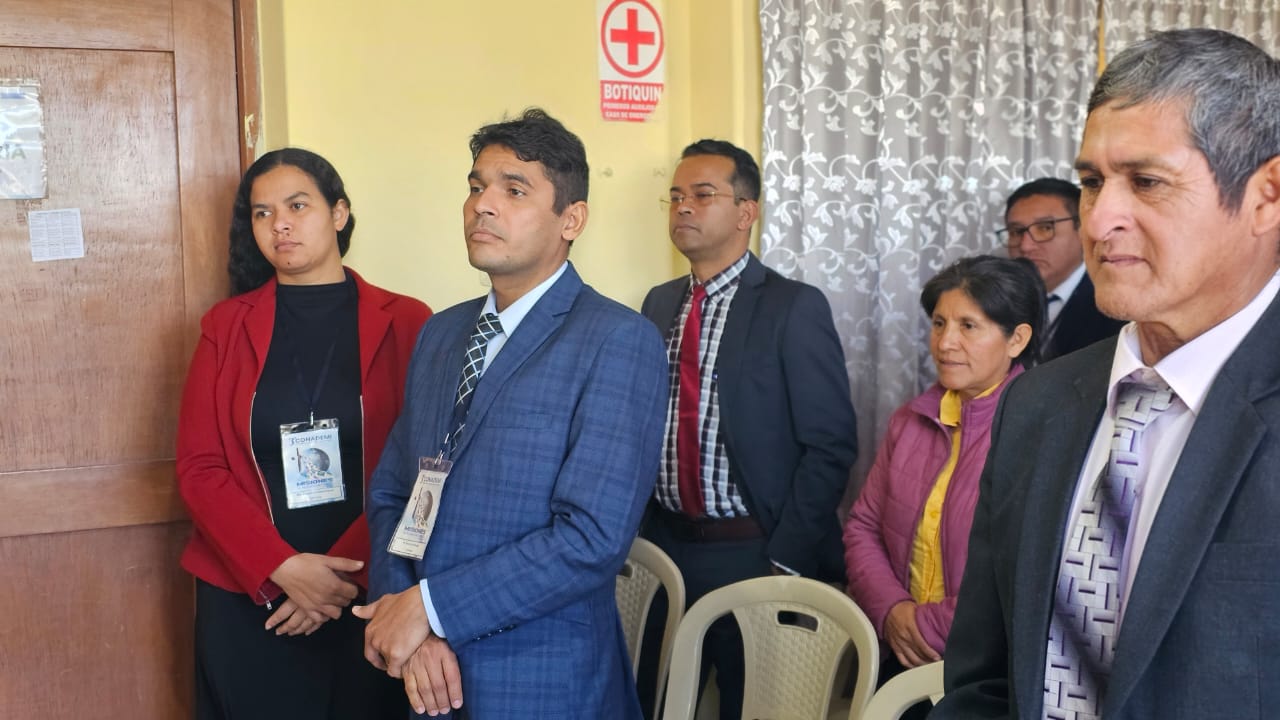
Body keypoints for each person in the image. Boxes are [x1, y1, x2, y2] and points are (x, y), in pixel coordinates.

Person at [934, 28, 1280, 719]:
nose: (1099, 222)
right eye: (1092, 183)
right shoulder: (1036, 403)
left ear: (1267, 196)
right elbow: (984, 679)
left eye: (1147, 182)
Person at [355, 108, 668, 719]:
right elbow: (395, 491)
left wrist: (431, 608)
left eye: (514, 190)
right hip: (427, 673)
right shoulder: (442, 334)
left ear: (572, 219)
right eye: (476, 187)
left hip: (541, 679)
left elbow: (591, 539)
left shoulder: (617, 340)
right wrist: (406, 611)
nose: (483, 205)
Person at [176, 148, 431, 718]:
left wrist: (339, 579)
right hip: (249, 597)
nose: (279, 225)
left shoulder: (410, 321)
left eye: (297, 206)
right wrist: (282, 569)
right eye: (262, 213)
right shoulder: (225, 326)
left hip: (371, 594)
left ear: (339, 213)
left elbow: (427, 464)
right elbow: (200, 468)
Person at [637, 139, 858, 719]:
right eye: (675, 196)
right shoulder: (659, 304)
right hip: (665, 546)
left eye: (702, 194)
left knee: (750, 706)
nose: (684, 207)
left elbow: (830, 445)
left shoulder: (791, 306)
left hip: (752, 549)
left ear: (746, 211)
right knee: (654, 701)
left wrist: (784, 557)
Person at [842, 255, 1042, 718]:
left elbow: (1027, 569)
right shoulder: (910, 420)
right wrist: (893, 611)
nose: (945, 342)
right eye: (938, 323)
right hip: (898, 652)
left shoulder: (1040, 431)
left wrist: (928, 627)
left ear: (1017, 339)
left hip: (985, 673)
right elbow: (862, 526)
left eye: (968, 326)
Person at [1001, 178, 1122, 360]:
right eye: (1017, 232)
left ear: (1083, 230)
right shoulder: (1000, 300)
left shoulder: (1114, 304)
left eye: (1045, 228)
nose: (1025, 246)